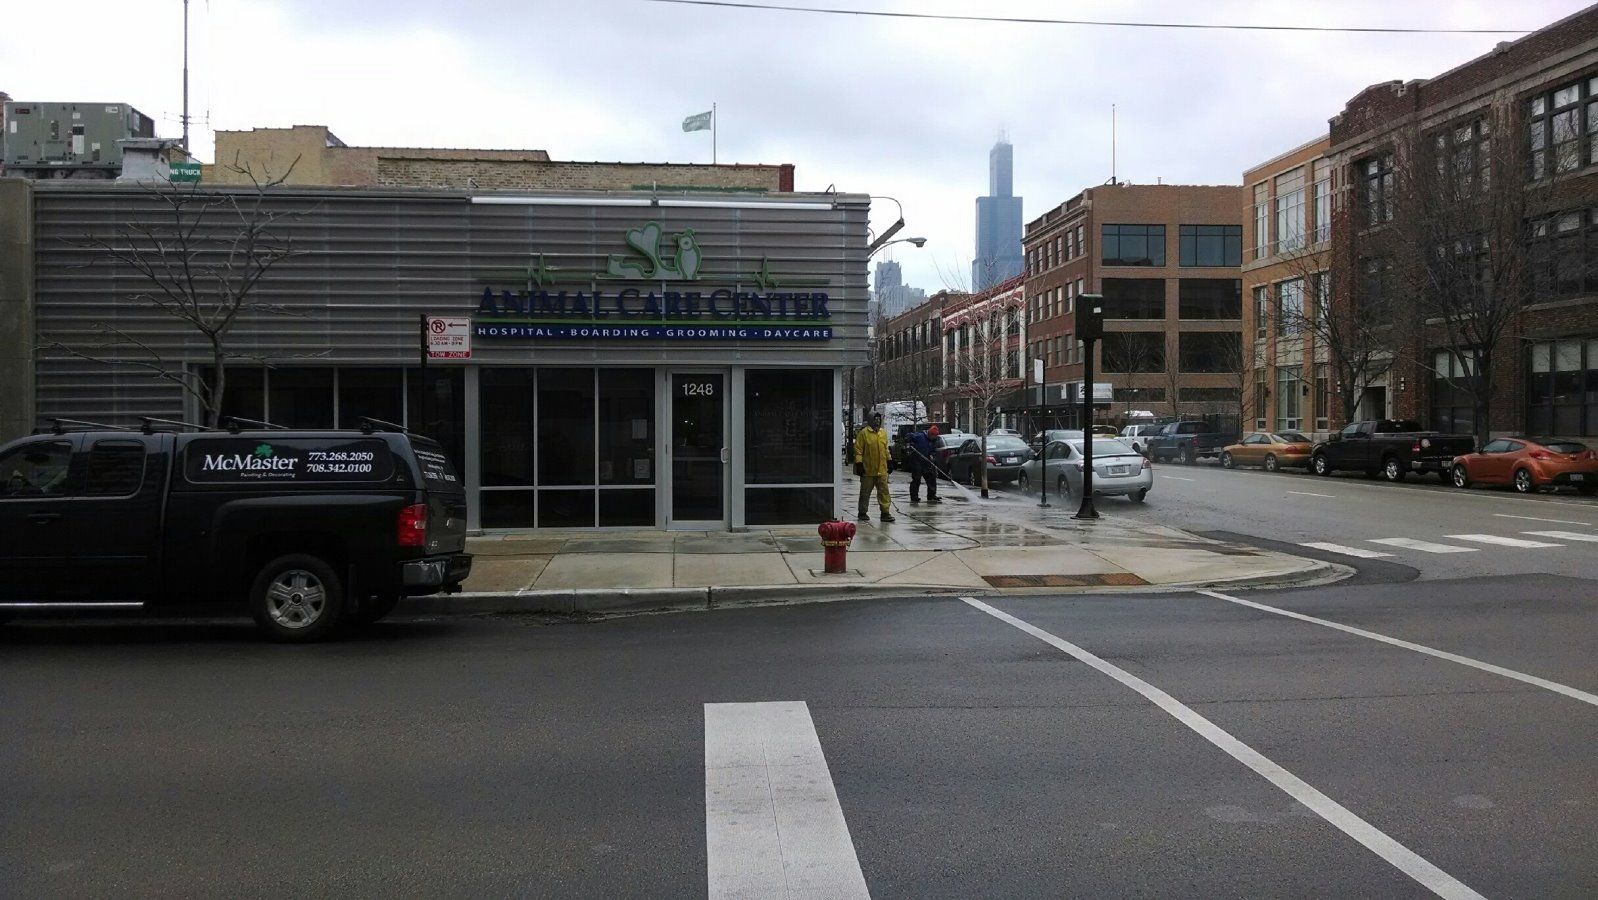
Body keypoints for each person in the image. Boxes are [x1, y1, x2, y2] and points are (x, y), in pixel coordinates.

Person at [853, 412, 895, 523]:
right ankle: (862, 512)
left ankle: (885, 513)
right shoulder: (864, 433)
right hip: (868, 470)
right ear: (871, 420)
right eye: (875, 419)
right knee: (865, 493)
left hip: (881, 470)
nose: (877, 422)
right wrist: (859, 464)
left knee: (884, 492)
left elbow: (885, 449)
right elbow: (858, 450)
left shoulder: (882, 433)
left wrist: (889, 460)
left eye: (878, 420)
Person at [905, 424, 942, 504]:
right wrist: (909, 444)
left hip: (926, 461)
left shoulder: (933, 441)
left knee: (931, 477)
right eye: (934, 436)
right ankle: (914, 496)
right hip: (916, 460)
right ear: (930, 434)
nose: (934, 438)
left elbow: (933, 450)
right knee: (917, 478)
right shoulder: (919, 436)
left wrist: (932, 455)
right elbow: (908, 436)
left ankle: (931, 495)